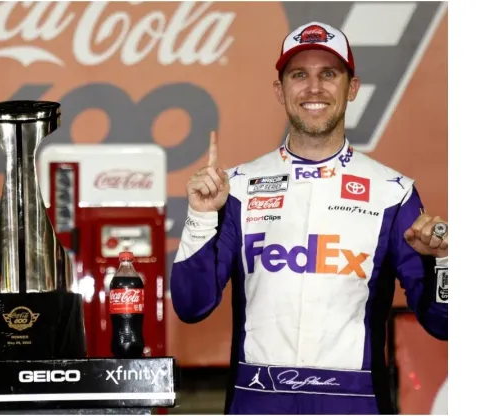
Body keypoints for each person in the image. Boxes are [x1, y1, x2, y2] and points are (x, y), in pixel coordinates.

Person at [170, 21, 448, 415]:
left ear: (352, 88)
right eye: (299, 75)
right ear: (279, 90)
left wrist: (444, 260)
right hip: (256, 401)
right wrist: (200, 216)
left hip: (355, 403)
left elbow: (445, 324)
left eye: (329, 74)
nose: (314, 88)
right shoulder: (238, 187)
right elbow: (191, 305)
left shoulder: (393, 192)